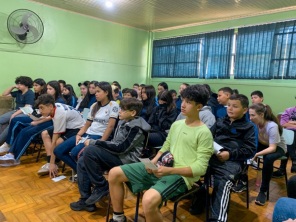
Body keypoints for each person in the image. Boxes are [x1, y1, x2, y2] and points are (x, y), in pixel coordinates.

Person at [107, 85, 213, 222]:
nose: (183, 105)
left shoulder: (204, 133)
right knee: (114, 173)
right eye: (184, 100)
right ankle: (118, 218)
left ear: (199, 106)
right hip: (163, 167)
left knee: (148, 199)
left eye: (189, 102)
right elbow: (166, 145)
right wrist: (154, 160)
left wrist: (170, 170)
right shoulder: (177, 124)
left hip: (181, 176)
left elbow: (200, 169)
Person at [70, 98, 151, 212]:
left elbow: (121, 148)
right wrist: (100, 144)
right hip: (118, 156)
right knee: (82, 162)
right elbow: (114, 142)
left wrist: (95, 142)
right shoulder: (123, 121)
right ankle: (86, 200)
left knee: (89, 150)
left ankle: (101, 185)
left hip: (127, 161)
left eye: (123, 109)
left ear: (133, 113)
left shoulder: (137, 128)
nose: (119, 111)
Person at [53, 81, 119, 173]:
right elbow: (87, 124)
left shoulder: (113, 105)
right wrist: (78, 134)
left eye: (98, 91)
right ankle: (81, 172)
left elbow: (110, 126)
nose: (96, 94)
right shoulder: (94, 106)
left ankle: (84, 173)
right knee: (58, 150)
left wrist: (101, 142)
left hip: (99, 136)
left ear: (106, 92)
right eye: (95, 92)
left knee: (74, 153)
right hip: (87, 134)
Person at [209, 94, 256, 222]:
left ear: (245, 110)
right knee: (195, 168)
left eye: (235, 106)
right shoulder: (220, 121)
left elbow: (250, 150)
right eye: (228, 105)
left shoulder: (249, 127)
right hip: (213, 156)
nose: (230, 109)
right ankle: (198, 200)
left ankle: (217, 219)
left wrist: (230, 154)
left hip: (232, 161)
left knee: (223, 181)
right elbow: (208, 137)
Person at [0, 81, 65, 166]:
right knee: (20, 127)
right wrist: (35, 116)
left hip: (52, 122)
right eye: (47, 88)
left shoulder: (60, 100)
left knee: (27, 132)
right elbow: (40, 111)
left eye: (50, 89)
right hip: (43, 118)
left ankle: (14, 156)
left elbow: (53, 116)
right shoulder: (46, 98)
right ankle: (11, 151)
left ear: (56, 90)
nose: (48, 90)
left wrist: (38, 121)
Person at [36, 94, 86, 177]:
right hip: (68, 126)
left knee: (57, 143)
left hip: (77, 129)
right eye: (39, 108)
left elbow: (54, 141)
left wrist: (52, 163)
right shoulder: (55, 107)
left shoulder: (59, 114)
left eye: (42, 108)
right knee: (44, 133)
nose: (40, 111)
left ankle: (53, 163)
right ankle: (52, 162)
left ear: (50, 106)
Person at [249, 103, 286, 206]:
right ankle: (242, 181)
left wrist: (256, 154)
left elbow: (272, 148)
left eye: (253, 115)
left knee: (268, 158)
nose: (250, 118)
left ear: (261, 115)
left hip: (278, 147)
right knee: (247, 150)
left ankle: (263, 191)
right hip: (265, 144)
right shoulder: (255, 123)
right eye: (249, 115)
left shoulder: (272, 126)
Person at [0, 76, 35, 147]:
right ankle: (2, 141)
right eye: (17, 84)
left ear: (26, 85)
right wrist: (13, 86)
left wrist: (14, 115)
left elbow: (28, 107)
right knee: (1, 120)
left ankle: (2, 141)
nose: (18, 86)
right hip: (16, 111)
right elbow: (5, 94)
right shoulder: (18, 92)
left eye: (20, 84)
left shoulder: (30, 93)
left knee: (12, 122)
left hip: (25, 113)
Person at [272, 106, 296, 177]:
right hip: (289, 134)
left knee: (288, 139)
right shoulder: (289, 110)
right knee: (289, 137)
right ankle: (294, 160)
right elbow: (283, 124)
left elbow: (286, 123)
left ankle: (282, 170)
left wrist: (290, 122)